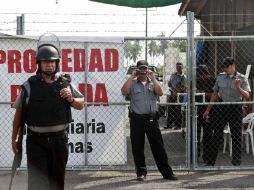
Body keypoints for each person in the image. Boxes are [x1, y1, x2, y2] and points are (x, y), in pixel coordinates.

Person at [12, 42, 84, 190]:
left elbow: (80, 104)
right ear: (39, 64)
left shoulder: (65, 83)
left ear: (57, 63)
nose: (49, 65)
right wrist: (15, 137)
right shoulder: (29, 85)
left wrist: (71, 98)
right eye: (45, 62)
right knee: (37, 184)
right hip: (36, 142)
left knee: (56, 183)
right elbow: (19, 112)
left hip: (59, 141)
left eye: (52, 61)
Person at [121, 60, 177, 181]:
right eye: (140, 68)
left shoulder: (153, 83)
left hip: (151, 119)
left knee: (158, 147)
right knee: (137, 147)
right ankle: (141, 172)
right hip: (136, 119)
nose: (143, 71)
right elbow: (124, 91)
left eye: (145, 68)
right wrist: (132, 76)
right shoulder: (133, 84)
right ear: (137, 69)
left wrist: (153, 77)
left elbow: (160, 92)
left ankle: (167, 173)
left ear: (148, 69)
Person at [203, 57, 251, 166]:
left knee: (236, 135)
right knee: (217, 134)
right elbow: (215, 95)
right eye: (224, 67)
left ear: (233, 66)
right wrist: (207, 110)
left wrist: (238, 87)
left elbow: (247, 95)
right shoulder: (220, 77)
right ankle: (210, 162)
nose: (225, 69)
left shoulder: (242, 78)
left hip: (236, 108)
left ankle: (236, 162)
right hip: (223, 107)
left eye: (227, 67)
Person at [195, 64, 215, 163]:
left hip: (209, 110)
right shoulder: (197, 80)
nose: (202, 77)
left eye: (203, 75)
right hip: (197, 109)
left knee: (208, 135)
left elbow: (215, 95)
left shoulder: (213, 80)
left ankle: (206, 157)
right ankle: (195, 155)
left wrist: (203, 93)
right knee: (196, 134)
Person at [166, 62, 186, 130]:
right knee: (170, 109)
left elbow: (182, 87)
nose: (178, 68)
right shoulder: (173, 75)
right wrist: (169, 83)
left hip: (179, 95)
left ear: (182, 67)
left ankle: (178, 125)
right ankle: (169, 124)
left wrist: (176, 92)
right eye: (177, 67)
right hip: (172, 93)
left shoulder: (183, 76)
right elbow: (170, 84)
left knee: (177, 110)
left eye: (180, 67)